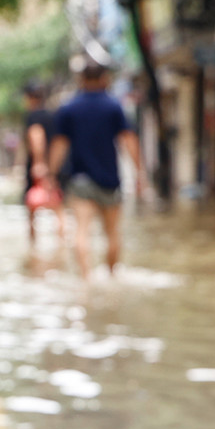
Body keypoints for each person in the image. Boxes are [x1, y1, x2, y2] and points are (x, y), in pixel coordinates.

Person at [47, 61, 147, 275]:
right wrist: (140, 173)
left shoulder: (69, 108)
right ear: (105, 79)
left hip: (80, 179)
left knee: (81, 232)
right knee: (112, 233)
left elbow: (59, 145)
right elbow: (128, 140)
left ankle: (86, 280)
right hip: (110, 180)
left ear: (81, 79)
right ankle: (111, 275)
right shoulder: (114, 106)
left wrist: (51, 175)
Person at [22, 82, 64, 244]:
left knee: (32, 210)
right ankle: (61, 245)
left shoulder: (33, 116)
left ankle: (33, 244)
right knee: (57, 205)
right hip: (54, 165)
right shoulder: (52, 115)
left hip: (39, 165)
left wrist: (38, 162)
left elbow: (36, 136)